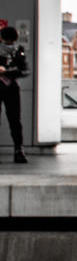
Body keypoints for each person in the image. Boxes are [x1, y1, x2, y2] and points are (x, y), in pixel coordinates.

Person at [0, 26, 29, 163]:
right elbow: (22, 70)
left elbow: (23, 70)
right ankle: (18, 150)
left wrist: (5, 71)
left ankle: (19, 149)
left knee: (14, 120)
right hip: (10, 87)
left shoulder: (19, 50)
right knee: (15, 120)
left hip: (10, 87)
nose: (9, 44)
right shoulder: (18, 50)